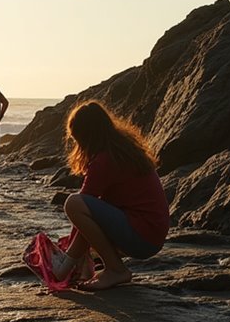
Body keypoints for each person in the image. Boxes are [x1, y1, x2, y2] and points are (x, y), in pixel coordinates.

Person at [56, 100, 170, 290]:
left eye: (76, 139)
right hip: (151, 233)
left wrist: (65, 264)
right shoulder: (121, 150)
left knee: (73, 203)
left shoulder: (105, 160)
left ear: (87, 137)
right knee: (82, 220)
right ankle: (86, 269)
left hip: (142, 235)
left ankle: (116, 270)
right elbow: (89, 218)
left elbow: (81, 209)